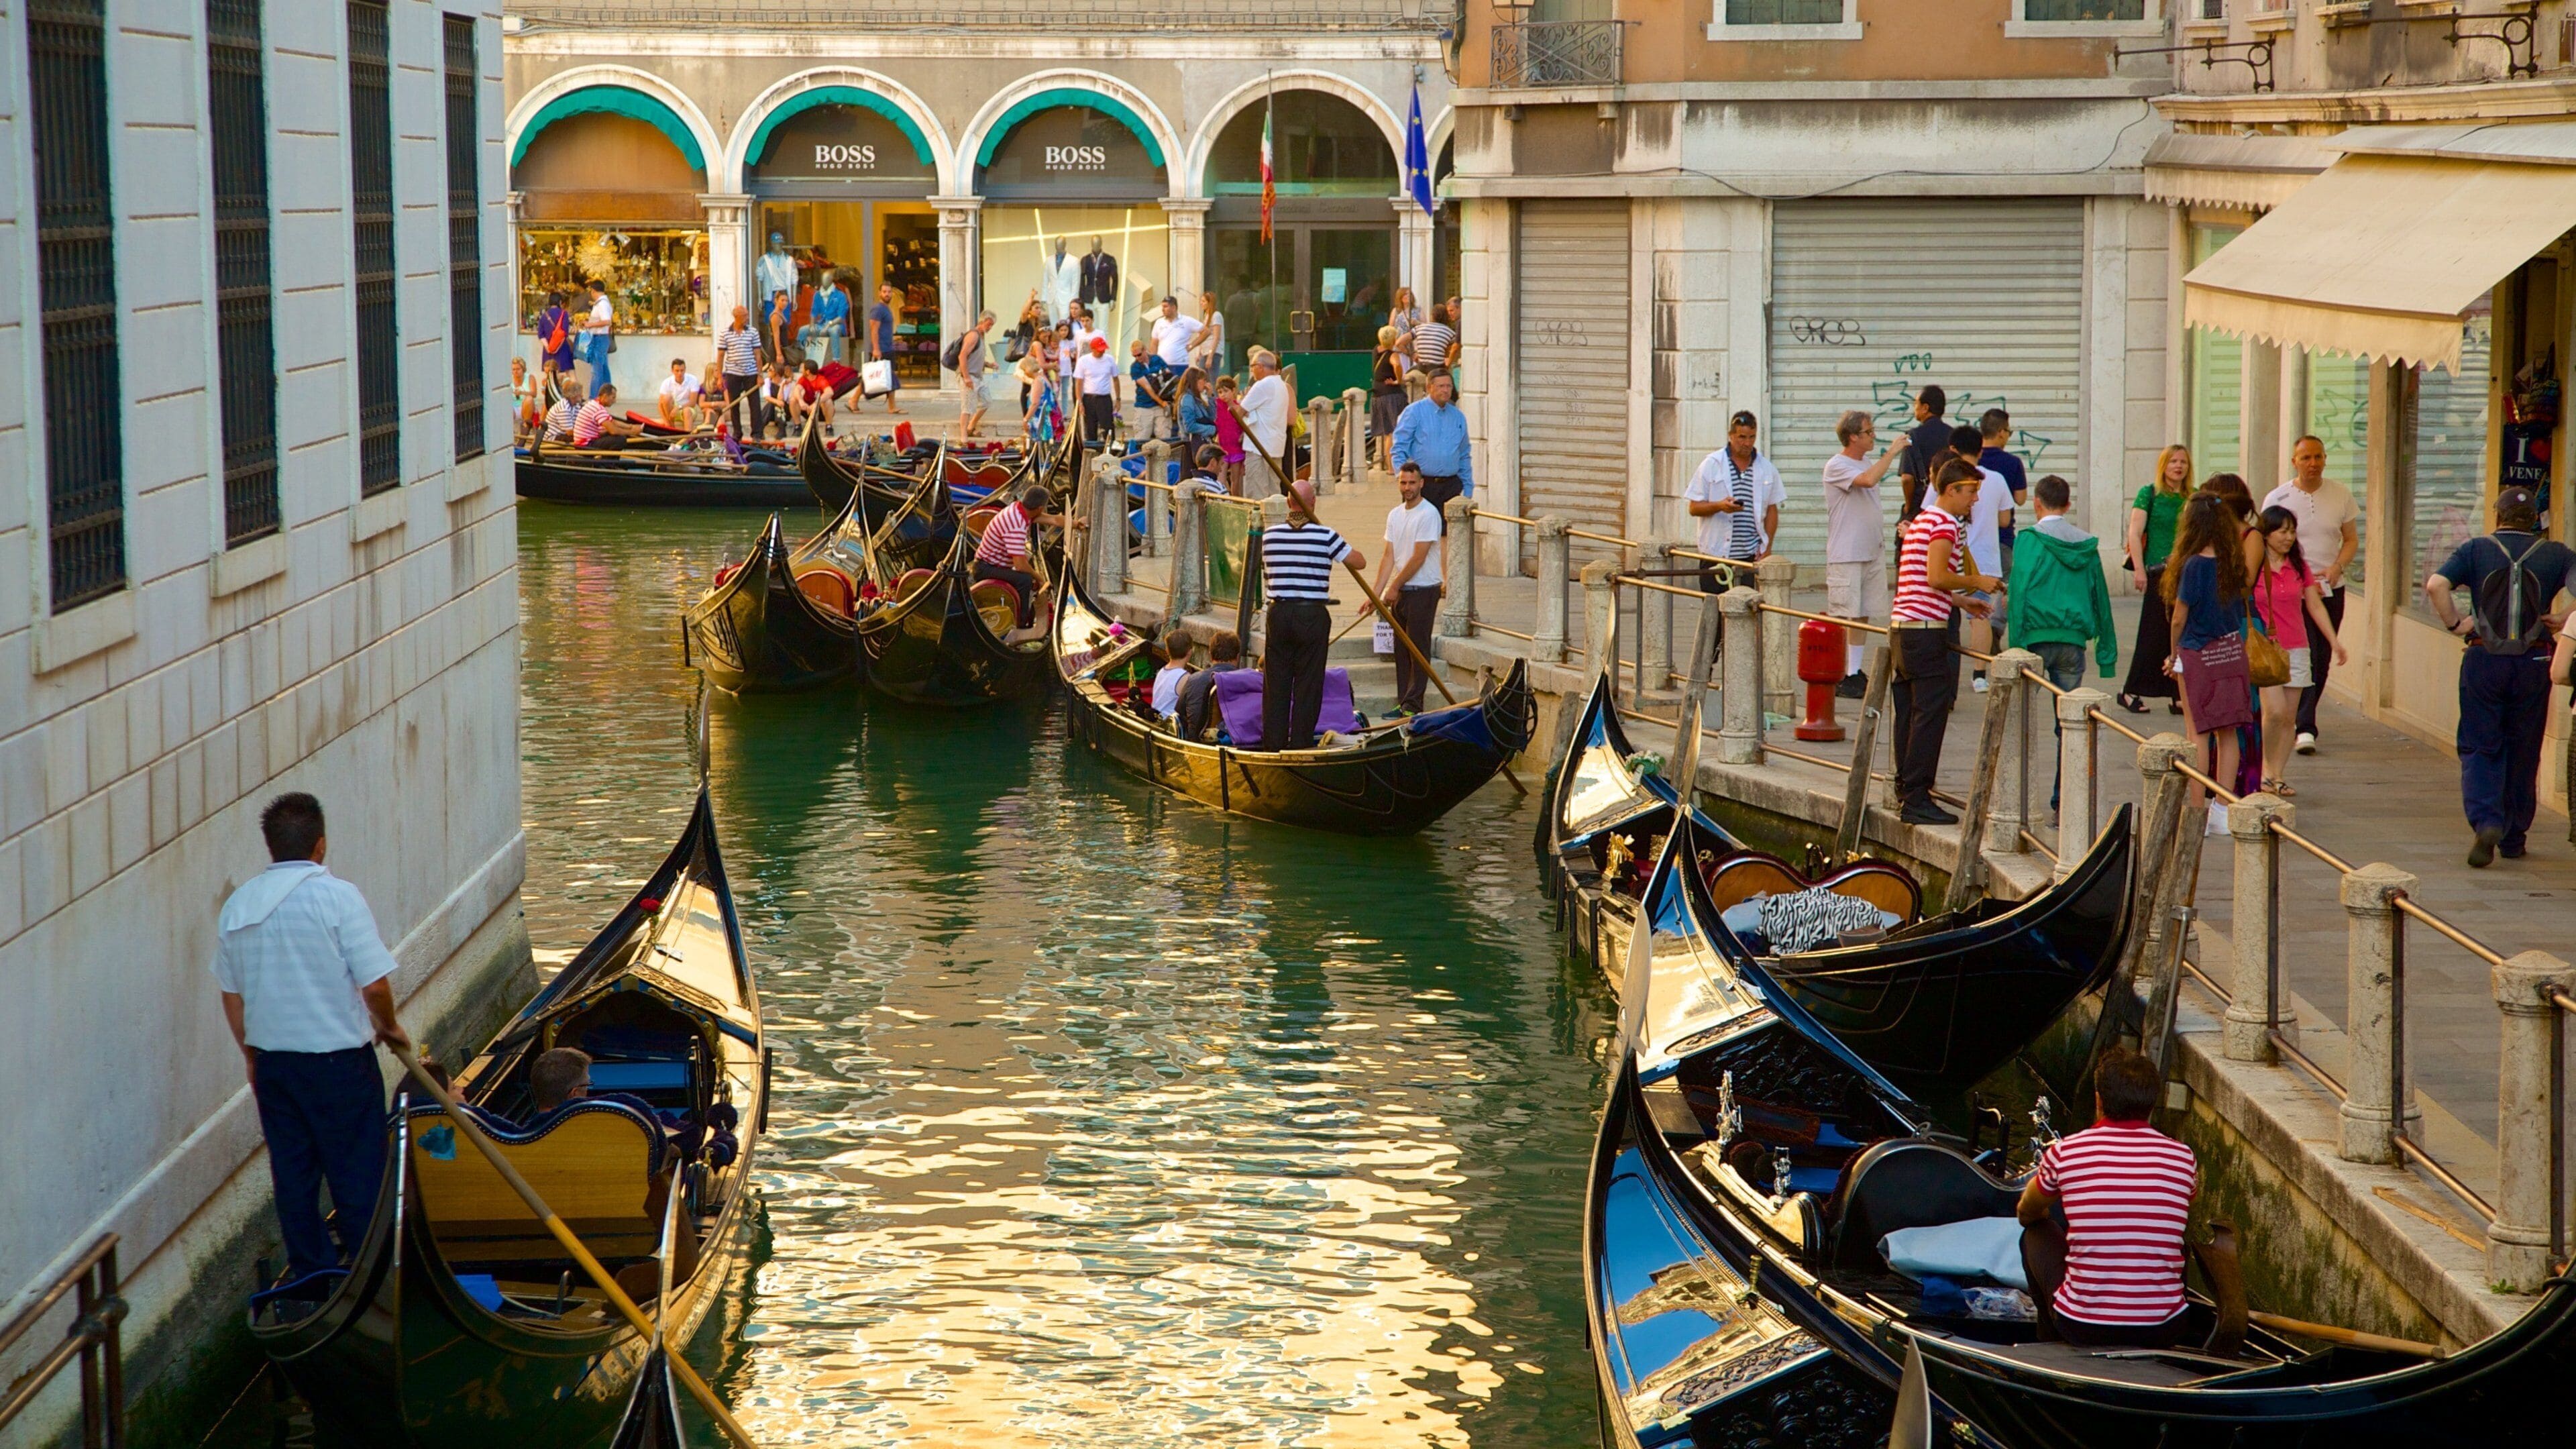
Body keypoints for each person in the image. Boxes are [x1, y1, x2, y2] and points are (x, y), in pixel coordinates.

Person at [211, 792, 413, 1283]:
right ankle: (372, 1279)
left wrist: (251, 1057)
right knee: (358, 1171)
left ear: (271, 847)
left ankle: (312, 1277)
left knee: (294, 1176)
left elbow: (232, 998)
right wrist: (388, 1028)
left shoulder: (238, 907)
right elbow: (375, 985)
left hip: (276, 1067)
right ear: (320, 845)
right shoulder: (338, 897)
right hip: (339, 1063)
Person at [2424, 486, 2575, 867]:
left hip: (2484, 657)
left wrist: (2456, 623)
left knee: (2480, 743)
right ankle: (2513, 836)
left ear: (2498, 515)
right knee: (2524, 746)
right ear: (2536, 522)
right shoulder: (2556, 554)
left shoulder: (2476, 549)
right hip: (2535, 660)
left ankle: (2486, 820)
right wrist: (2564, 617)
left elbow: (2436, 585)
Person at [2017, 1046, 2198, 1348]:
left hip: (2083, 1327)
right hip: (2166, 1327)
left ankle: (2048, 1341)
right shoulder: (2183, 1158)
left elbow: (2025, 1211)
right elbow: (2179, 1206)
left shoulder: (2065, 1152)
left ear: (2098, 1100)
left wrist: (2053, 1222)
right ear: (2152, 1106)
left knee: (2035, 1233)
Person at [1889, 460, 2002, 825]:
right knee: (1929, 715)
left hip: (1903, 628)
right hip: (1925, 632)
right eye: (1971, 493)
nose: (1974, 502)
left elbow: (1924, 581)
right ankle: (1917, 798)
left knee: (1908, 712)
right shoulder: (1943, 524)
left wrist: (1962, 601)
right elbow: (1937, 576)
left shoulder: (1921, 520)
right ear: (1951, 490)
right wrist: (1977, 581)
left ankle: (1905, 787)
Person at [2008, 475, 2117, 808]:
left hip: (2034, 640)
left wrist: (2015, 645)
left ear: (2037, 503)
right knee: (2069, 727)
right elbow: (2101, 598)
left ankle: (2019, 804)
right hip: (2072, 644)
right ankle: (2063, 803)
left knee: (2021, 723)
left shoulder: (2028, 540)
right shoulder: (2086, 545)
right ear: (2068, 505)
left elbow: (2019, 591)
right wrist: (2107, 655)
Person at [2165, 492, 2258, 835]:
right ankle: (2222, 807)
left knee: (2197, 734)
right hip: (2232, 651)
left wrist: (2173, 652)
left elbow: (2179, 617)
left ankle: (2195, 811)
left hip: (2198, 652)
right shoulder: (2234, 562)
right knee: (2228, 732)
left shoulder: (2193, 565)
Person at [2262, 435, 2361, 755]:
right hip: (2292, 591)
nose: (2313, 464)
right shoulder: (2278, 497)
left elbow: (2350, 540)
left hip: (2331, 588)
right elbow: (2265, 542)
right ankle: (2304, 726)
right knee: (2307, 653)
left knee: (2321, 661)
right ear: (2295, 461)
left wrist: (2336, 568)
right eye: (2306, 458)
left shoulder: (2341, 495)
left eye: (2318, 457)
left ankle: (2303, 719)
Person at [1260, 480, 1369, 751]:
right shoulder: (1325, 536)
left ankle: (1273, 746)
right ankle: (1299, 745)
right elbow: (1360, 562)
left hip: (1280, 614)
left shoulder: (1269, 537)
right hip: (1312, 616)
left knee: (1277, 683)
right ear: (1313, 504)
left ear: (1288, 503)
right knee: (1309, 683)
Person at [2251, 505, 2348, 799]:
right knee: (2274, 712)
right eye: (2282, 531)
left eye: (2292, 531)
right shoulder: (2253, 565)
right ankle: (2265, 770)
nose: (2289, 537)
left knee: (2289, 717)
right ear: (2266, 533)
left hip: (2297, 646)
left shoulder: (2299, 566)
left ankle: (2277, 775)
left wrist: (2334, 641)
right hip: (2268, 648)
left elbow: (2314, 604)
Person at [1821, 409, 1907, 695]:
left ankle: (1853, 670)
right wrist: (1893, 452)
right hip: (1847, 552)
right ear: (1852, 436)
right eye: (1869, 432)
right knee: (1845, 612)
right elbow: (1868, 480)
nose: (1873, 437)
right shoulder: (1837, 465)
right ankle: (1838, 671)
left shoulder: (1867, 461)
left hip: (1870, 549)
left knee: (1863, 614)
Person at [2121, 444, 2192, 715]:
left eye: (2183, 462)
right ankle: (2131, 691)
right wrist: (2140, 570)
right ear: (2164, 465)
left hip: (2185, 572)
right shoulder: (2149, 494)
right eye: (2173, 461)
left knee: (2179, 632)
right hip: (2157, 571)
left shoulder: (2193, 497)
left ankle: (2176, 692)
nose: (2178, 466)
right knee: (2153, 632)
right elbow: (2135, 532)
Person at [1375, 462, 1446, 717]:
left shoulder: (1429, 514)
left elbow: (1418, 557)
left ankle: (1414, 705)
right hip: (1403, 591)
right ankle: (1403, 701)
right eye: (1403, 483)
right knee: (1401, 650)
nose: (1408, 488)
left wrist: (1394, 586)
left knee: (1418, 648)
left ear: (1421, 484)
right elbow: (1388, 557)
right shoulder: (1395, 515)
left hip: (1424, 590)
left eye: (1412, 483)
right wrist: (1376, 594)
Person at [1685, 411, 1786, 592]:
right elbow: (1694, 508)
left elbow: (1772, 509)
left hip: (1749, 557)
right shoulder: (1712, 464)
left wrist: (1768, 547)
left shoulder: (1766, 468)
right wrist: (1719, 506)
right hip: (1715, 555)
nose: (1747, 443)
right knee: (1714, 613)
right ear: (1731, 435)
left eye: (1752, 437)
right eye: (1741, 437)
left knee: (1746, 614)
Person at [1389, 370, 1475, 509]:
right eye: (1441, 386)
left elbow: (1464, 453)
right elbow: (1399, 448)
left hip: (1452, 486)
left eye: (1449, 386)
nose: (1446, 390)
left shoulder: (1458, 416)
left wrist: (1468, 487)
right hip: (1423, 486)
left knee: (1450, 530)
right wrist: (1405, 481)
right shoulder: (1414, 412)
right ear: (1429, 388)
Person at [974, 486, 1056, 629]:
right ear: (1040, 508)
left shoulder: (1018, 509)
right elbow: (1020, 566)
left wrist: (1076, 524)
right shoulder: (1016, 525)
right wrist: (1039, 578)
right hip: (985, 568)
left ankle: (1026, 615)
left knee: (1026, 574)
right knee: (1025, 579)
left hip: (992, 564)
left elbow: (1054, 520)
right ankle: (1021, 625)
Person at [1236, 350, 1293, 498]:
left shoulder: (1262, 385)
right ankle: (1276, 521)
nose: (1251, 370)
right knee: (1274, 493)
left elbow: (1238, 412)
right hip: (1275, 447)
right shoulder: (1281, 385)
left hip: (1258, 449)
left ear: (1260, 366)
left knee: (1257, 495)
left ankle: (1261, 522)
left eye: (1252, 366)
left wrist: (1242, 401)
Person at [1978, 407, 2029, 570]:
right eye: (2009, 432)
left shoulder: (1971, 460)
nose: (2008, 437)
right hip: (2003, 538)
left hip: (1973, 538)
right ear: (2001, 432)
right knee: (2003, 591)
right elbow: (2020, 499)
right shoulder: (2013, 463)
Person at [1896, 384, 1951, 521]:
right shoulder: (1954, 435)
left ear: (1925, 408)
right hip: (1948, 504)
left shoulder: (1913, 436)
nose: (1914, 407)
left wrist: (1909, 507)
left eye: (1916, 403)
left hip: (1920, 507)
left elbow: (1907, 479)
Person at [1177, 629, 1245, 741]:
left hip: (1196, 744)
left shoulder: (1193, 679)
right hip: (1234, 746)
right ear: (1238, 657)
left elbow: (1181, 711)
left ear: (1210, 655)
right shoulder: (1246, 682)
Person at [713, 305, 763, 434]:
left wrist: (760, 375)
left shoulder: (753, 332)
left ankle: (757, 433)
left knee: (755, 404)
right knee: (734, 404)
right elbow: (720, 356)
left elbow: (758, 354)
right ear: (737, 317)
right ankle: (737, 432)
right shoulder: (725, 333)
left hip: (751, 373)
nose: (747, 318)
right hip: (733, 373)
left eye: (747, 315)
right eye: (745, 316)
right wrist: (720, 377)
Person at [1369, 328, 1408, 472]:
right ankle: (1392, 467)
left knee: (1387, 433)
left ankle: (1389, 466)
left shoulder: (1376, 350)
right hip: (1391, 395)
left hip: (1377, 395)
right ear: (1393, 340)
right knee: (1394, 431)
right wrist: (1398, 380)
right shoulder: (1392, 355)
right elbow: (1397, 365)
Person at [1073, 334, 1120, 442]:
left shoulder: (1109, 359)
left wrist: (1118, 399)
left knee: (1108, 426)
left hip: (1104, 398)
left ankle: (1110, 450)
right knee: (1090, 428)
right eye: (1099, 350)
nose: (1102, 352)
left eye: (1103, 350)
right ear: (1092, 349)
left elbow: (1116, 379)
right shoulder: (1083, 361)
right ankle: (1092, 450)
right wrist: (1080, 402)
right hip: (1089, 397)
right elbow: (1079, 383)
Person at [956, 309, 994, 438]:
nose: (990, 328)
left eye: (992, 325)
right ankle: (963, 437)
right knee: (967, 407)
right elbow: (962, 356)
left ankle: (971, 426)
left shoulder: (982, 337)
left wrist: (989, 365)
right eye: (989, 324)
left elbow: (975, 358)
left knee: (986, 401)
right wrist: (966, 377)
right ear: (982, 321)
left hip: (978, 377)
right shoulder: (973, 335)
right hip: (969, 376)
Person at [865, 284, 902, 413]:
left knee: (887, 376)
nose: (887, 294)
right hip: (882, 349)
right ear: (879, 293)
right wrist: (876, 349)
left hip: (887, 347)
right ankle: (892, 407)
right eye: (885, 292)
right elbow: (874, 329)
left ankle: (892, 406)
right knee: (886, 376)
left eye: (889, 292)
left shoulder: (886, 308)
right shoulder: (878, 309)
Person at [1128, 339, 1174, 441]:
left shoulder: (1157, 359)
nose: (1137, 358)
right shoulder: (1135, 367)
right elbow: (1148, 388)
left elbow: (1169, 377)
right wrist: (1162, 403)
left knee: (1164, 437)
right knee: (1142, 438)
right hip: (1144, 405)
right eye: (1134, 356)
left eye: (1139, 355)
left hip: (1161, 404)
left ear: (1145, 350)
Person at [802, 274, 850, 365]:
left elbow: (841, 317)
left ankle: (836, 360)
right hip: (822, 324)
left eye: (827, 279)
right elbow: (814, 312)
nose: (825, 282)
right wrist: (812, 325)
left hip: (836, 324)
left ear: (831, 281)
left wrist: (829, 325)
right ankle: (799, 358)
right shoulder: (818, 295)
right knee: (803, 330)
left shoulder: (840, 296)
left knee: (834, 331)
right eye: (823, 280)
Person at [535, 290, 575, 398]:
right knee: (570, 373)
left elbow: (540, 334)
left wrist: (548, 347)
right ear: (560, 302)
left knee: (550, 374)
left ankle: (550, 397)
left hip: (549, 350)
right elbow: (565, 333)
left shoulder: (544, 316)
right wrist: (558, 347)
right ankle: (574, 396)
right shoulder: (564, 314)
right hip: (563, 348)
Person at [578, 280, 614, 398]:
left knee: (596, 370)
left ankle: (593, 398)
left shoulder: (602, 304)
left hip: (600, 339)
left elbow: (607, 321)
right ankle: (607, 394)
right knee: (603, 368)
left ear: (593, 291)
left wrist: (590, 325)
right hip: (601, 338)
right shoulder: (601, 303)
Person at [1150, 627, 1194, 723]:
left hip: (1156, 719)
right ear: (1190, 652)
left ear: (1167, 650)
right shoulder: (1185, 678)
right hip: (1169, 725)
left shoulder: (1162, 671)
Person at [573, 386, 639, 447]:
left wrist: (631, 427)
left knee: (612, 433)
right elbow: (614, 431)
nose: (615, 401)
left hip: (586, 441)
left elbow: (613, 422)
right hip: (585, 444)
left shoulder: (594, 404)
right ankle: (609, 459)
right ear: (605, 397)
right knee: (620, 439)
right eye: (613, 397)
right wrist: (632, 432)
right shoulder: (598, 409)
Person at [1213, 376, 1246, 493]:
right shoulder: (1217, 405)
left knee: (1235, 480)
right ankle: (1227, 499)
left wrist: (1243, 435)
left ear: (1233, 391)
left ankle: (1237, 502)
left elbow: (1244, 426)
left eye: (1226, 391)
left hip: (1236, 448)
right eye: (1220, 392)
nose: (1223, 395)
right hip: (1223, 447)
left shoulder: (1239, 408)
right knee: (1220, 478)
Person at [1150, 295, 1201, 373]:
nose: (1163, 310)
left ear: (1174, 307)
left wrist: (1192, 345)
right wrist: (1153, 363)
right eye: (1162, 307)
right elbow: (1154, 344)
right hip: (1162, 365)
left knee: (1180, 385)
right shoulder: (1159, 322)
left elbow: (1206, 331)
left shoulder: (1186, 321)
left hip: (1180, 364)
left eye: (1165, 307)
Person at [786, 360, 837, 434]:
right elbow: (797, 389)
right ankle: (798, 426)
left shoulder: (821, 379)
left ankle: (829, 427)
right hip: (807, 409)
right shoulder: (803, 379)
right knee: (793, 400)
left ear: (808, 372)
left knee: (828, 401)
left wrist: (815, 404)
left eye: (802, 368)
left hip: (820, 412)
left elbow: (830, 392)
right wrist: (801, 401)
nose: (801, 370)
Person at [656, 357, 705, 429]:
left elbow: (693, 402)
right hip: (671, 412)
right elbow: (660, 404)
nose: (680, 373)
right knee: (667, 398)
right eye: (677, 371)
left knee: (687, 411)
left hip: (688, 409)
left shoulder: (693, 380)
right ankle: (672, 427)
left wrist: (679, 408)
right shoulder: (667, 382)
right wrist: (666, 421)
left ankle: (688, 438)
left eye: (682, 370)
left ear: (685, 370)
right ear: (672, 371)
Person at [1409, 302, 1458, 376]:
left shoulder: (1420, 328)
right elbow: (1451, 350)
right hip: (1437, 367)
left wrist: (1413, 354)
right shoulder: (1450, 333)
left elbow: (1399, 342)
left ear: (1432, 315)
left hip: (1421, 367)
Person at [1177, 368, 1216, 452]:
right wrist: (1211, 429)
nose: (1206, 383)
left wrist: (1210, 396)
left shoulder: (1197, 400)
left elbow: (1212, 417)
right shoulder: (1188, 399)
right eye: (1204, 380)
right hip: (1192, 447)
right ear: (1195, 381)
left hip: (1201, 445)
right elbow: (1190, 426)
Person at [1191, 290, 1226, 374]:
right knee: (1201, 377)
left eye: (1203, 301)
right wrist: (1200, 353)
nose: (1201, 303)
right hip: (1205, 351)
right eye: (1201, 301)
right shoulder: (1206, 316)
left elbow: (1216, 337)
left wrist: (1210, 356)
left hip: (1213, 352)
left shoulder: (1216, 315)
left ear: (1209, 303)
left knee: (1212, 379)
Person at [509, 356, 541, 441]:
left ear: (523, 369)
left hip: (527, 407)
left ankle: (526, 427)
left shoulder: (530, 378)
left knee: (529, 399)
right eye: (514, 369)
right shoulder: (509, 379)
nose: (516, 372)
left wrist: (522, 393)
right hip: (514, 407)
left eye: (518, 369)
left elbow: (534, 394)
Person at [1387, 286, 1423, 352]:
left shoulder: (1418, 310)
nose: (1409, 296)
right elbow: (1391, 329)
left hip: (1415, 347)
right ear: (1401, 298)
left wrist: (1417, 323)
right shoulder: (1396, 311)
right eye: (1406, 294)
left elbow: (1426, 326)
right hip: (1399, 347)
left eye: (1410, 294)